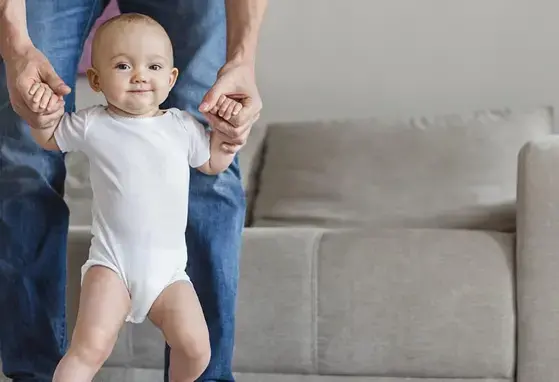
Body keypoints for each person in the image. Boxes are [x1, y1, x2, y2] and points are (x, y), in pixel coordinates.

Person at [0, 0, 266, 381]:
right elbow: (47, 138)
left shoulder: (184, 126)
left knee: (196, 349)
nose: (140, 76)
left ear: (171, 78)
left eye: (154, 67)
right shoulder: (92, 123)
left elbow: (211, 164)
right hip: (112, 268)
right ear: (96, 81)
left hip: (171, 274)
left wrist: (227, 140)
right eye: (123, 66)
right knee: (89, 350)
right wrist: (42, 113)